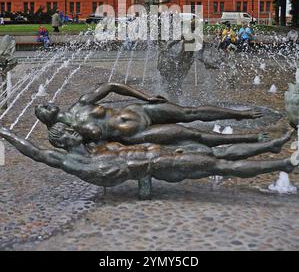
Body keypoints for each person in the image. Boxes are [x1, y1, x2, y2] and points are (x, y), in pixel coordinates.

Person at [0, 126, 297, 189]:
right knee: (220, 165)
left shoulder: (95, 148)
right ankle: (283, 163)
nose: (73, 132)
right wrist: (5, 133)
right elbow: (34, 152)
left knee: (216, 152)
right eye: (66, 133)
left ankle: (271, 146)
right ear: (62, 142)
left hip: (159, 154)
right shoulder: (74, 161)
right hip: (161, 165)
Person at [35, 82, 265, 148]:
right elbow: (84, 155)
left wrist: (145, 98)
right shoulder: (62, 136)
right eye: (43, 109)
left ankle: (239, 115)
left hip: (140, 110)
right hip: (137, 135)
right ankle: (248, 139)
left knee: (189, 112)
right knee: (190, 134)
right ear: (47, 120)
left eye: (45, 103)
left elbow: (112, 86)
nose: (47, 103)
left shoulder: (80, 105)